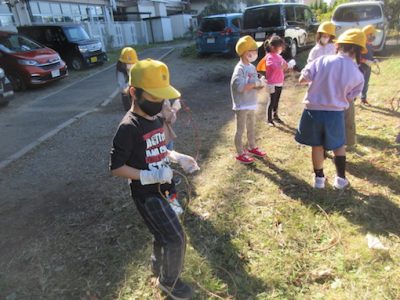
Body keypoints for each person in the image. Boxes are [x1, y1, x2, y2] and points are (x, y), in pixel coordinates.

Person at [110, 59, 199, 300]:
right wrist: (149, 175)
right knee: (176, 237)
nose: (159, 103)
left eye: (162, 97)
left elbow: (159, 148)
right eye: (153, 97)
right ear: (133, 92)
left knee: (162, 234)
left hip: (166, 188)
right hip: (147, 195)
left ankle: (158, 267)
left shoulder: (157, 117)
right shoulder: (128, 127)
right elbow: (117, 167)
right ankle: (169, 283)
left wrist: (177, 156)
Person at [295, 29, 365, 189]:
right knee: (339, 144)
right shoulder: (357, 74)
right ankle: (340, 180)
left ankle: (319, 180)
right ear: (355, 50)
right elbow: (350, 98)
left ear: (338, 45)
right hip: (335, 113)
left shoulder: (321, 60)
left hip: (312, 110)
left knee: (317, 145)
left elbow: (302, 79)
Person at [230, 35, 266, 164]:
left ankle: (252, 147)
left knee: (251, 127)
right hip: (242, 105)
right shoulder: (239, 69)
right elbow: (239, 87)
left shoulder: (251, 67)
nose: (256, 53)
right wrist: (255, 84)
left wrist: (259, 85)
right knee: (240, 130)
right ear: (246, 53)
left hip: (251, 103)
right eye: (254, 50)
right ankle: (240, 153)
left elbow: (253, 83)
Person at [264, 35, 288, 126]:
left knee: (277, 100)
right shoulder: (269, 56)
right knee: (272, 101)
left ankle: (275, 115)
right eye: (280, 46)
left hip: (279, 82)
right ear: (273, 47)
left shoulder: (279, 56)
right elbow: (272, 66)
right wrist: (280, 67)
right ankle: (269, 119)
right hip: (272, 83)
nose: (281, 48)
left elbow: (285, 65)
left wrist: (286, 65)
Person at [360, 25, 378, 105]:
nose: (374, 36)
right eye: (372, 35)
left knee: (366, 83)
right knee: (359, 83)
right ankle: (352, 100)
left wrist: (373, 60)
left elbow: (370, 55)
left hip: (368, 67)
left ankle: (363, 98)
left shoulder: (370, 45)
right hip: (361, 67)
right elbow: (358, 58)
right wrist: (365, 61)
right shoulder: (361, 45)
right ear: (367, 35)